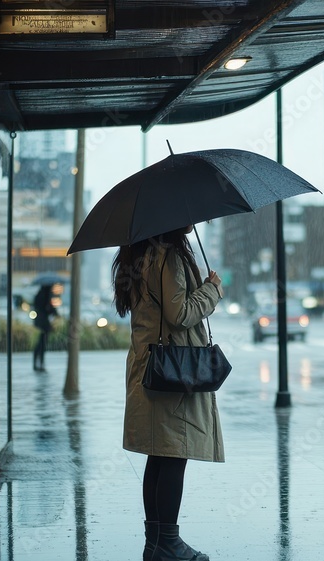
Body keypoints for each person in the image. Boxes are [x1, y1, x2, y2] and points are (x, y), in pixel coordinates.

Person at [113, 225, 223, 561]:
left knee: (159, 455)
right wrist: (212, 290)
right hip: (174, 370)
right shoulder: (169, 256)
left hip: (150, 367)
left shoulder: (140, 255)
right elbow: (181, 314)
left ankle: (156, 543)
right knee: (174, 453)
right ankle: (170, 543)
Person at [32, 283, 59, 371]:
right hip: (43, 323)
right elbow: (49, 309)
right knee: (42, 343)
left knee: (41, 342)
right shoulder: (45, 296)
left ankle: (38, 362)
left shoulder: (39, 295)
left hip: (40, 322)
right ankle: (40, 362)